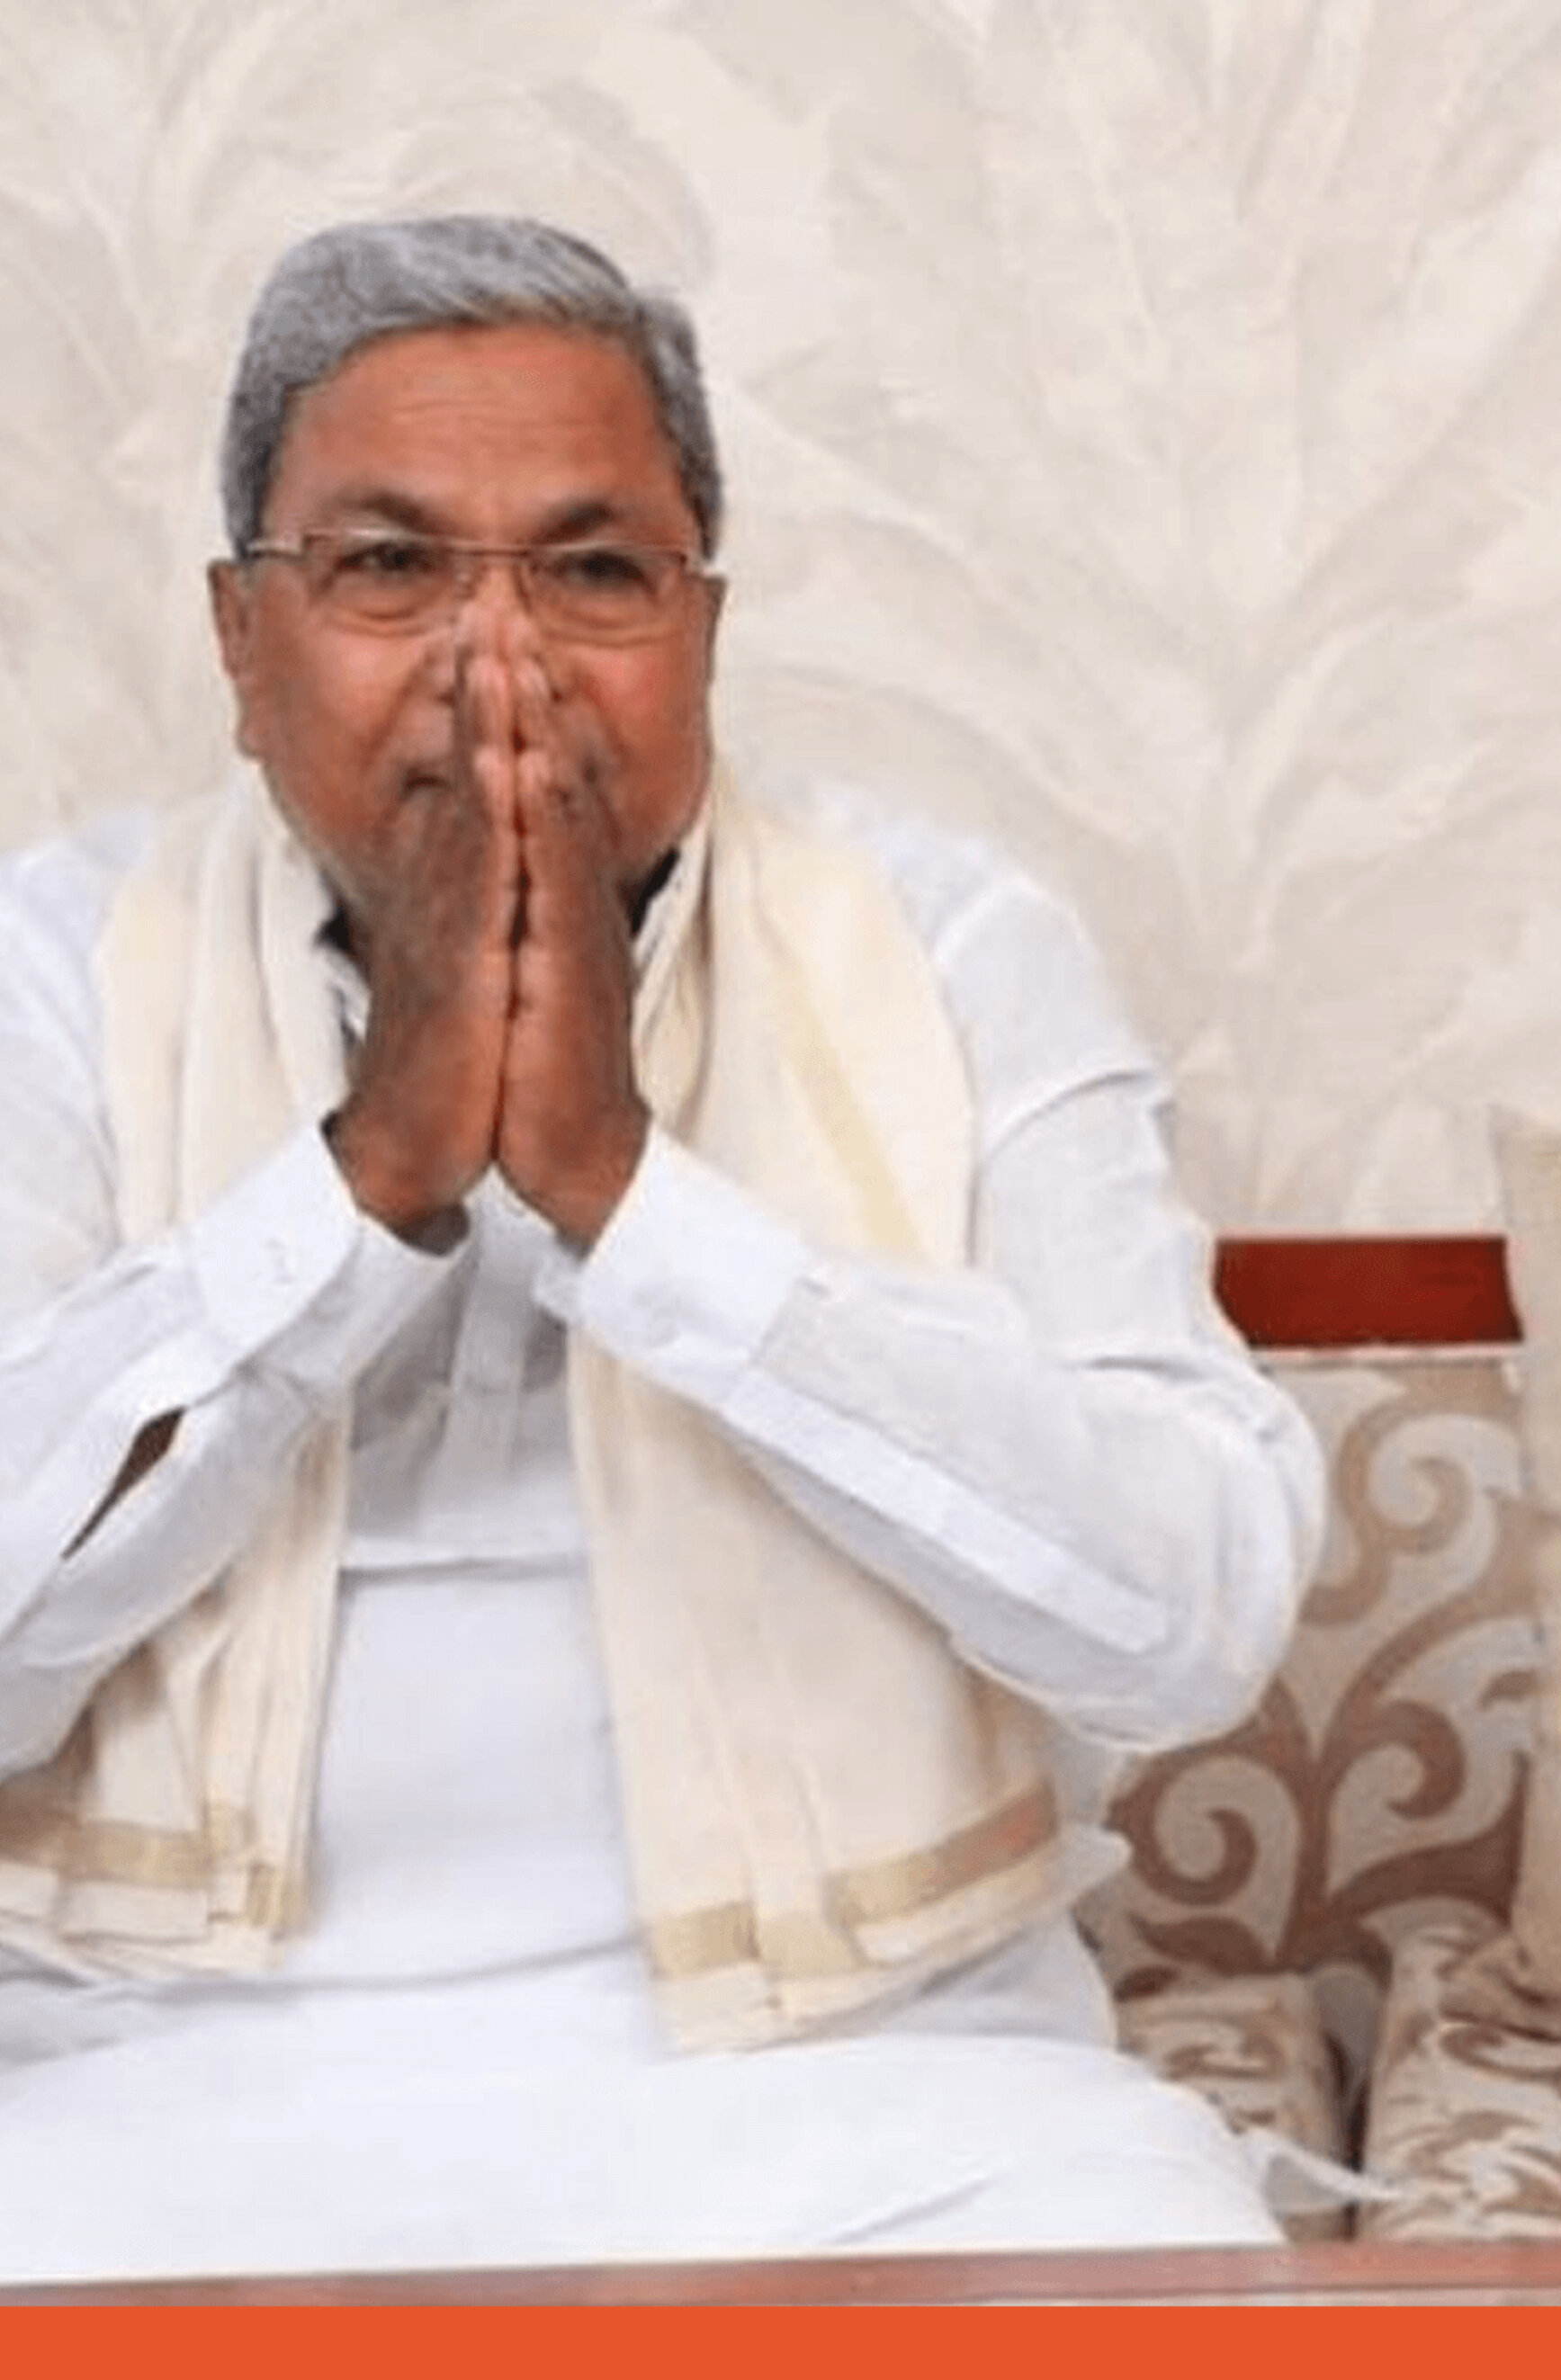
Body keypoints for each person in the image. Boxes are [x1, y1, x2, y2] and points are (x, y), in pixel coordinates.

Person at [0, 216, 1323, 2277]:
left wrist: (637, 1206)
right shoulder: (54, 969)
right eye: (389, 566)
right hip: (148, 2092)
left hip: (884, 2088)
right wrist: (360, 1191)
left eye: (593, 573)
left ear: (701, 627)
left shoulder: (954, 946)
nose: (497, 665)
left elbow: (1192, 1615)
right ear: (244, 643)